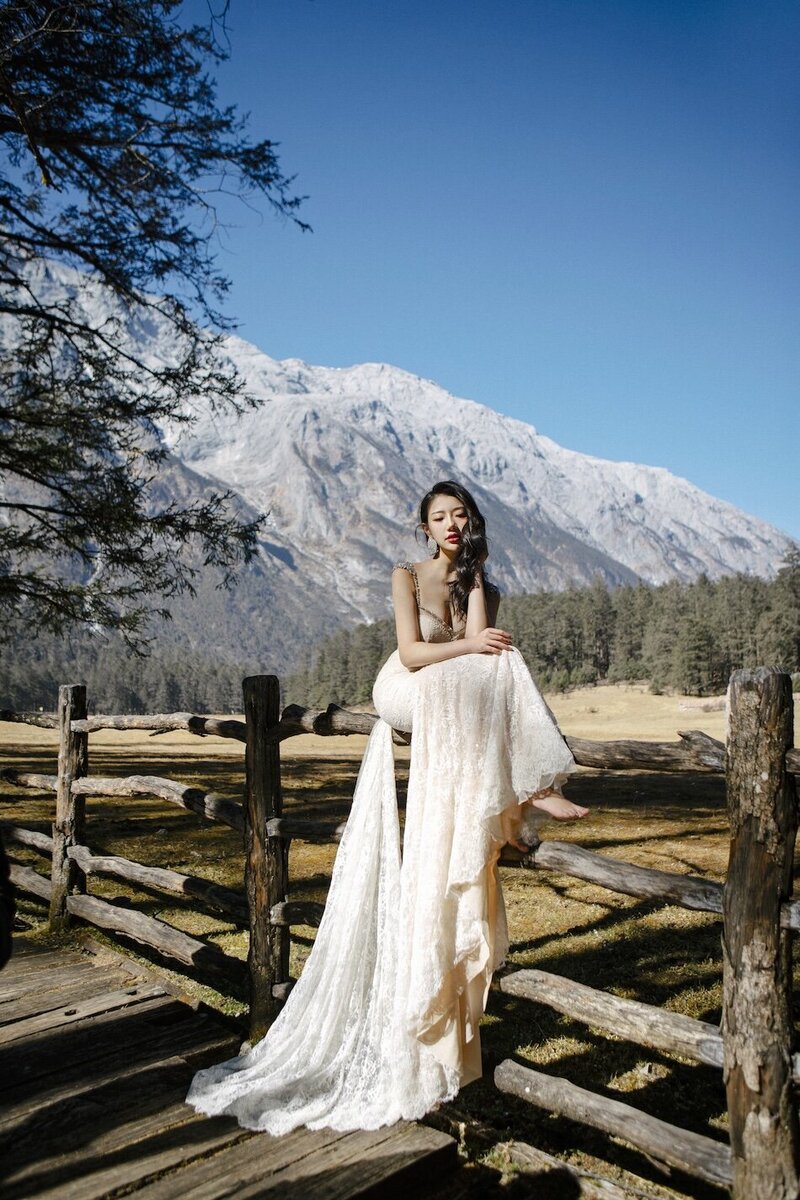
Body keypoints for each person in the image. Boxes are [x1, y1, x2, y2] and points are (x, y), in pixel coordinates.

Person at [187, 480, 588, 1134]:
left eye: (461, 515)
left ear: (472, 522)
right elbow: (411, 653)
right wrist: (467, 648)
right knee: (470, 668)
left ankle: (521, 790)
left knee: (497, 658)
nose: (451, 524)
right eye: (440, 517)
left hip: (454, 682)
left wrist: (477, 594)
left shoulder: (476, 580)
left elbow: (488, 664)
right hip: (406, 686)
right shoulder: (405, 575)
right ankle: (527, 790)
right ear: (425, 527)